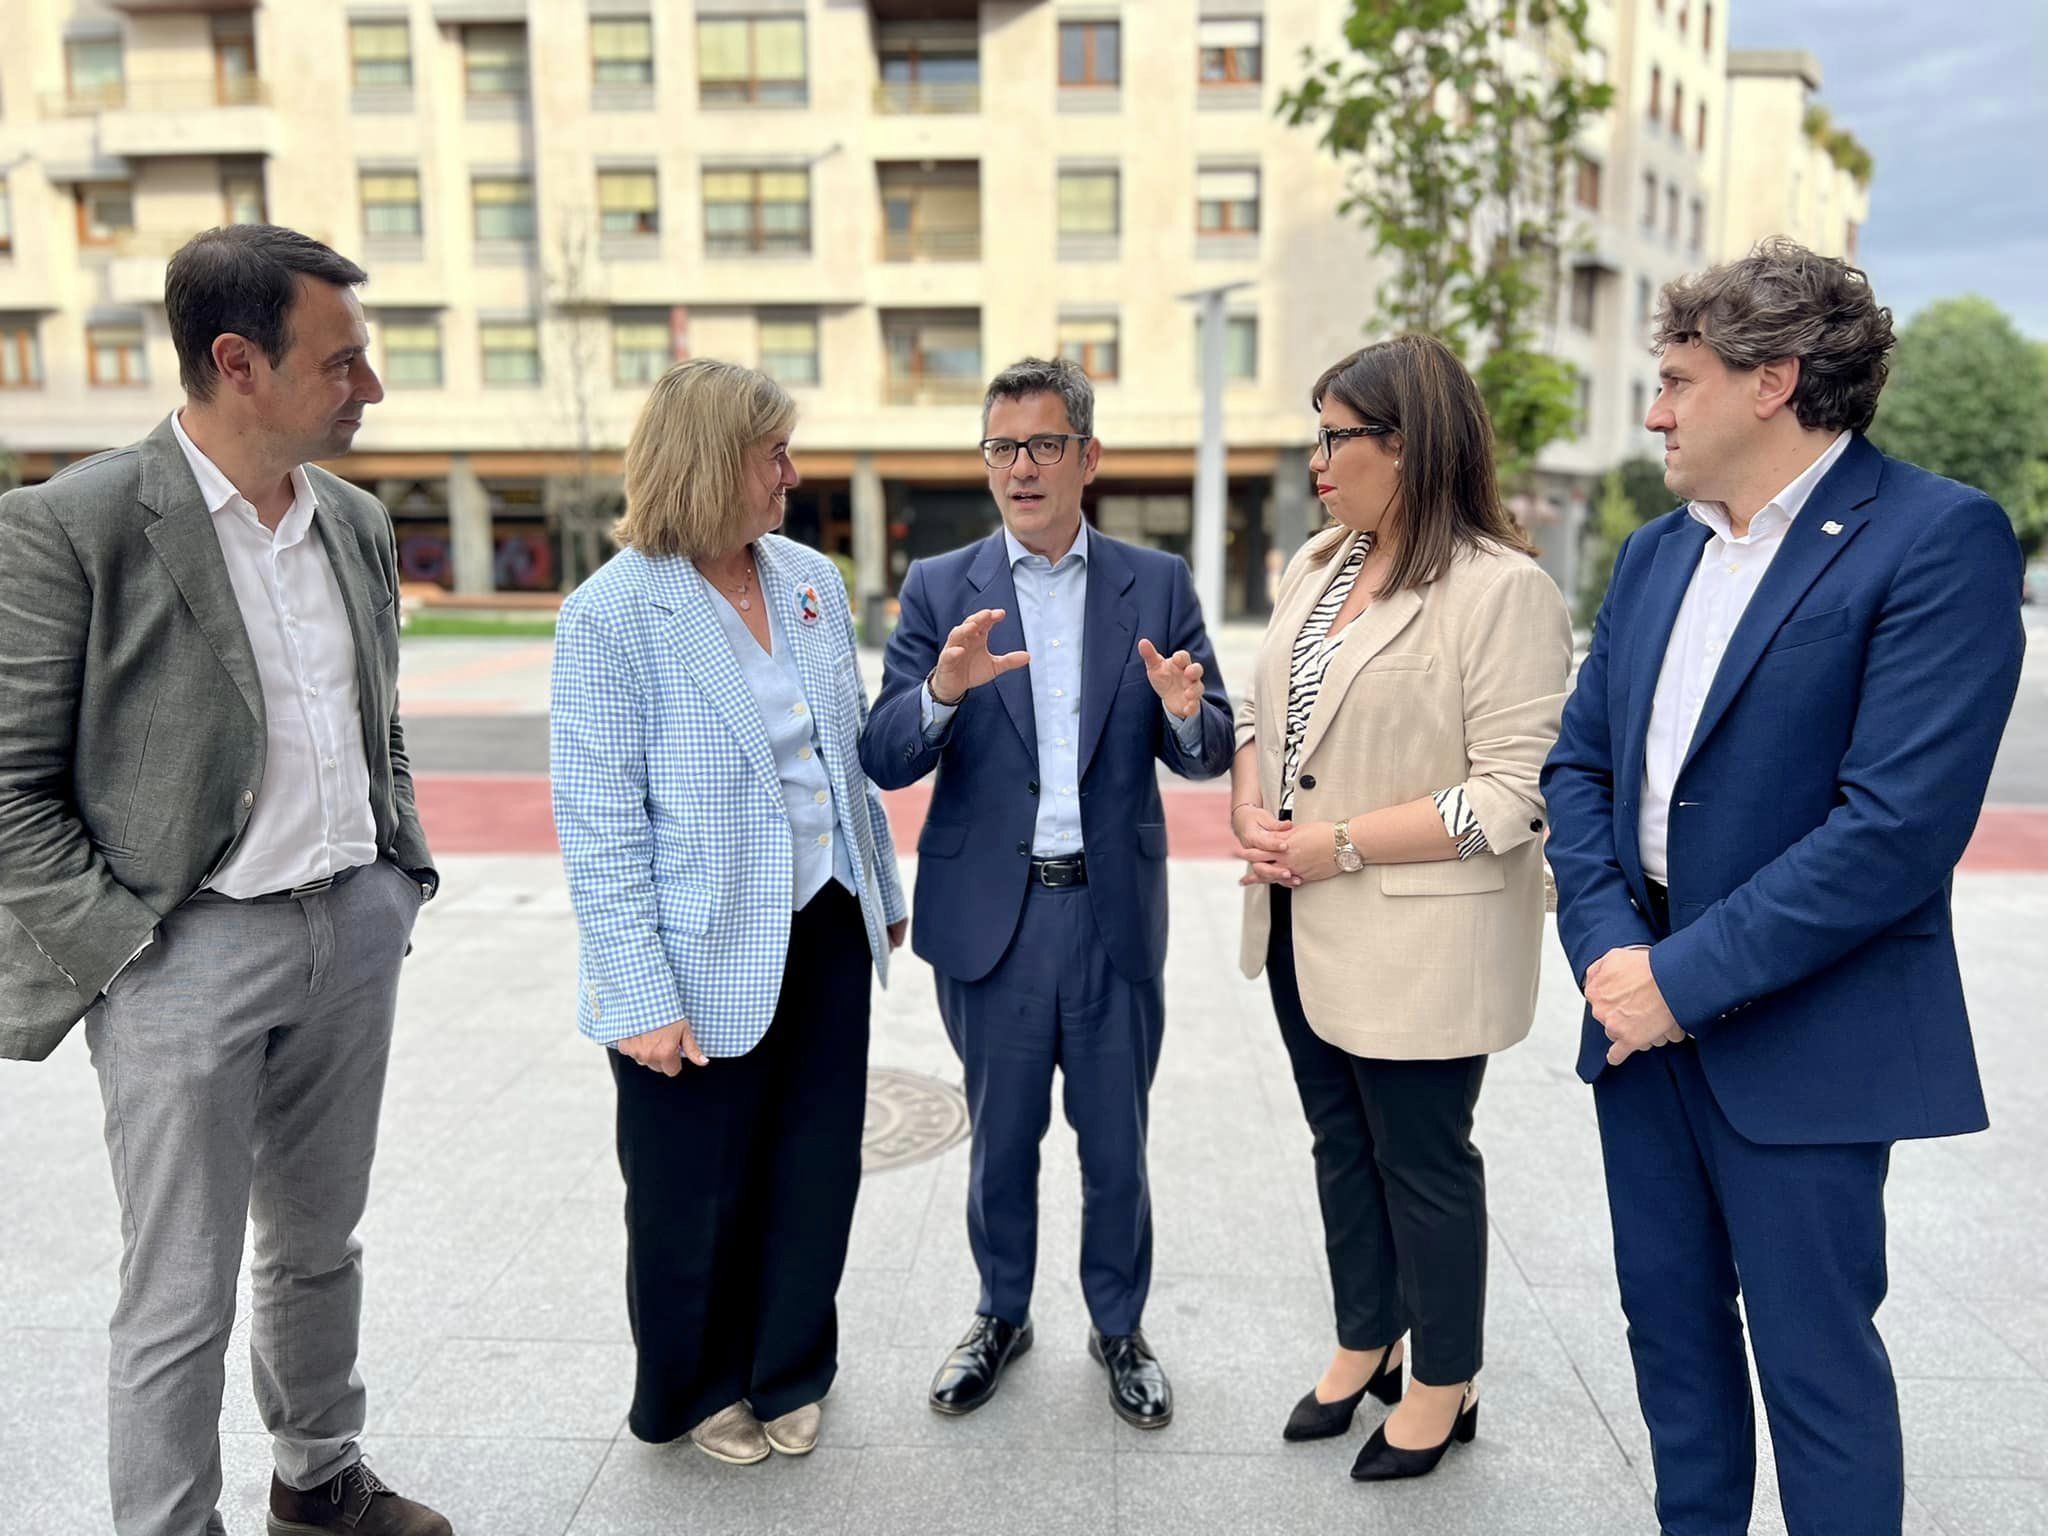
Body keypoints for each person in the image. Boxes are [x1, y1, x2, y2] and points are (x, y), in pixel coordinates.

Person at [1542, 239, 2026, 1536]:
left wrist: (1676, 983)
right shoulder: (1653, 555)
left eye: (1676, 379)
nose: (1653, 410)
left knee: (1817, 1378)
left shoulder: (1937, 539)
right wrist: (1612, 964)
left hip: (1801, 1034)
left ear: (1774, 383)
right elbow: (1579, 771)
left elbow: (1894, 833)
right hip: (1632, 1015)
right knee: (1674, 1363)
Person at [0, 225, 447, 1535]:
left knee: (319, 1246)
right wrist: (132, 955)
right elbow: (8, 785)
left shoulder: (354, 522)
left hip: (346, 934)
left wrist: (393, 871)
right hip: (181, 955)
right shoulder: (71, 526)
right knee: (178, 1293)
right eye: (344, 360)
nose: (367, 388)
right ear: (239, 362)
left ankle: (319, 1485)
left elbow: (380, 722)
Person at [859, 356, 1234, 1429]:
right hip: (994, 923)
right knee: (1002, 1141)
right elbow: (882, 756)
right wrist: (939, 691)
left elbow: (1207, 748)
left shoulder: (1152, 583)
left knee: (1115, 1144)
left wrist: (1181, 711)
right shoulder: (940, 587)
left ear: (1087, 457)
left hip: (1110, 916)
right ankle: (1000, 1314)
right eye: (999, 448)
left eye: (1040, 445)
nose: (1019, 468)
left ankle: (1118, 1327)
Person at [550, 358, 908, 1467]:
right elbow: (598, 825)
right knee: (689, 1192)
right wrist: (638, 997)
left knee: (813, 1167)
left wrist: (880, 890)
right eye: (774, 456)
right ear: (712, 464)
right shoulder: (611, 616)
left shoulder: (805, 576)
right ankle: (701, 1385)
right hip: (693, 951)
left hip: (825, 922)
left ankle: (790, 1363)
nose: (792, 476)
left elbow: (840, 757)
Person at [1229, 336, 1571, 1481]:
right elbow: (1263, 717)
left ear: (1410, 444)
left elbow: (1512, 794)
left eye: (1336, 435)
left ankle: (1442, 1377)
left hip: (1418, 929)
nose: (1315, 458)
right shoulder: (1317, 563)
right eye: (1314, 434)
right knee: (1339, 1143)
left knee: (1422, 1158)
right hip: (1297, 919)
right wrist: (1255, 810)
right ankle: (1365, 1336)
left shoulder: (1500, 587)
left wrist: (1334, 844)